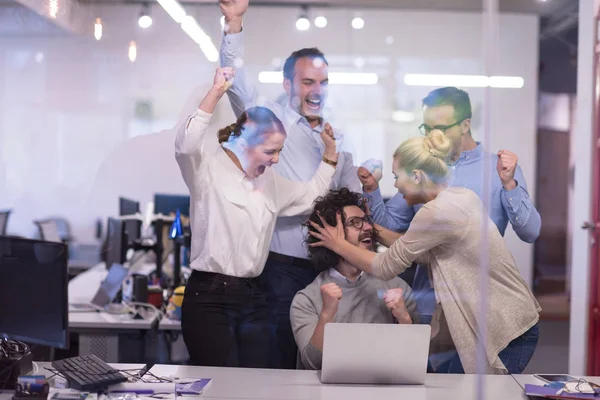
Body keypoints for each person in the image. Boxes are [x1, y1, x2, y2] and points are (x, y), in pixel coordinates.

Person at [309, 131, 541, 375]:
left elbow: (385, 266)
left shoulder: (435, 212)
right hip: (511, 317)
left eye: (397, 177)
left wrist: (337, 243)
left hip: (508, 327)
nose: (396, 185)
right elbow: (424, 254)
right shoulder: (460, 196)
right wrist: (370, 228)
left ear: (417, 176)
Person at [219, 0, 362, 369]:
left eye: (324, 82)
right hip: (283, 267)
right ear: (288, 84)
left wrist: (368, 186)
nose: (318, 90)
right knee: (282, 357)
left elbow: (350, 199)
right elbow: (237, 85)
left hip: (329, 265)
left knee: (325, 358)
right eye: (308, 82)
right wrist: (234, 24)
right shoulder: (271, 121)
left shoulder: (337, 134)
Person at [176, 67, 339, 368]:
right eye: (270, 151)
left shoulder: (271, 182)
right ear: (244, 140)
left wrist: (330, 155)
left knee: (258, 382)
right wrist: (215, 92)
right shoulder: (206, 170)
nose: (276, 159)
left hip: (254, 298)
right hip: (209, 298)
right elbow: (185, 145)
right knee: (221, 384)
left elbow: (311, 195)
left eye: (279, 152)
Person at [290, 188, 418, 370]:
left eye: (365, 221)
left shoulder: (397, 287)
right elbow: (313, 363)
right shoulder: (307, 299)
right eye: (354, 223)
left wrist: (403, 318)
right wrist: (327, 314)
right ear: (330, 236)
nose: (367, 228)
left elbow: (414, 359)